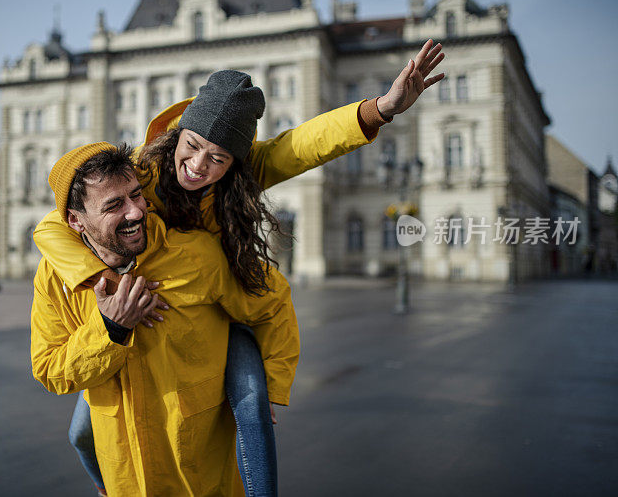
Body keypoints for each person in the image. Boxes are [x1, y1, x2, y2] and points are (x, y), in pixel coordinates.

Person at [34, 39, 445, 495]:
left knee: (251, 404)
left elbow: (302, 146)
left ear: (234, 162)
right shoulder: (138, 173)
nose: (197, 166)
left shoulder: (239, 178)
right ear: (178, 133)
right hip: (140, 314)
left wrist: (381, 109)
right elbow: (54, 226)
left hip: (223, 305)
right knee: (83, 434)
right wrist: (102, 278)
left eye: (217, 159)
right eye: (191, 147)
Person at [30, 143, 299, 496]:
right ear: (75, 221)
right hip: (125, 476)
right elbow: (50, 370)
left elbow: (272, 302)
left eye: (136, 196)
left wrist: (270, 388)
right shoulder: (54, 277)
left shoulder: (195, 254)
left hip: (200, 477)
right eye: (114, 205)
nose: (135, 212)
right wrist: (111, 329)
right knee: (80, 435)